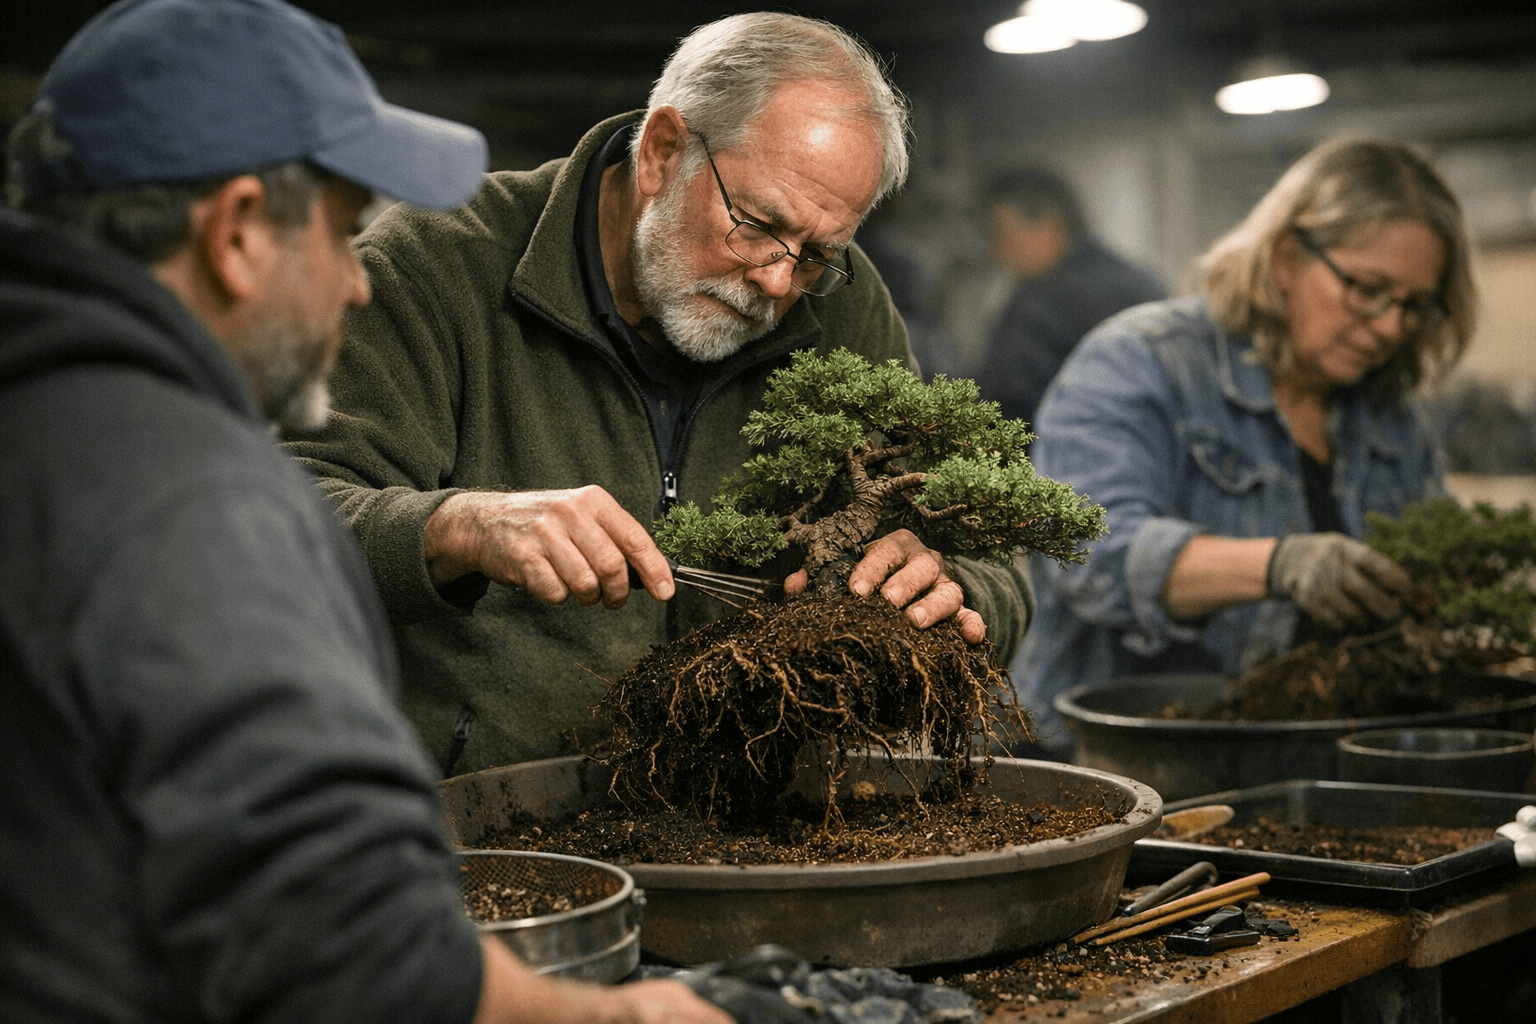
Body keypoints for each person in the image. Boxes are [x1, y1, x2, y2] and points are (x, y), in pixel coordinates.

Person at [0, 2, 731, 1022]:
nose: (354, 285)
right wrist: (610, 1013)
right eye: (343, 234)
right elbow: (350, 952)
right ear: (240, 231)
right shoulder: (191, 507)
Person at [283, 12, 1034, 776]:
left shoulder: (841, 304)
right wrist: (455, 526)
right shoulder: (435, 268)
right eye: (756, 223)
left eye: (814, 255)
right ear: (662, 152)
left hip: (746, 819)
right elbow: (279, 520)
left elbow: (998, 558)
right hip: (488, 823)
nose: (778, 281)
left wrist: (954, 587)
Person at [1011, 139, 1478, 758]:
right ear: (1286, 255)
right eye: (1368, 288)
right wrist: (1280, 565)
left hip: (1304, 762)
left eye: (1414, 306)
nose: (1391, 325)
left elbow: (1439, 576)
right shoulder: (1140, 363)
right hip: (1118, 767)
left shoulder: (1390, 418)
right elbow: (1092, 555)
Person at [975, 167, 1166, 428]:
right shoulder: (1144, 283)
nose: (995, 251)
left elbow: (1008, 404)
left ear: (1048, 225)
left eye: (999, 233)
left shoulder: (1040, 301)